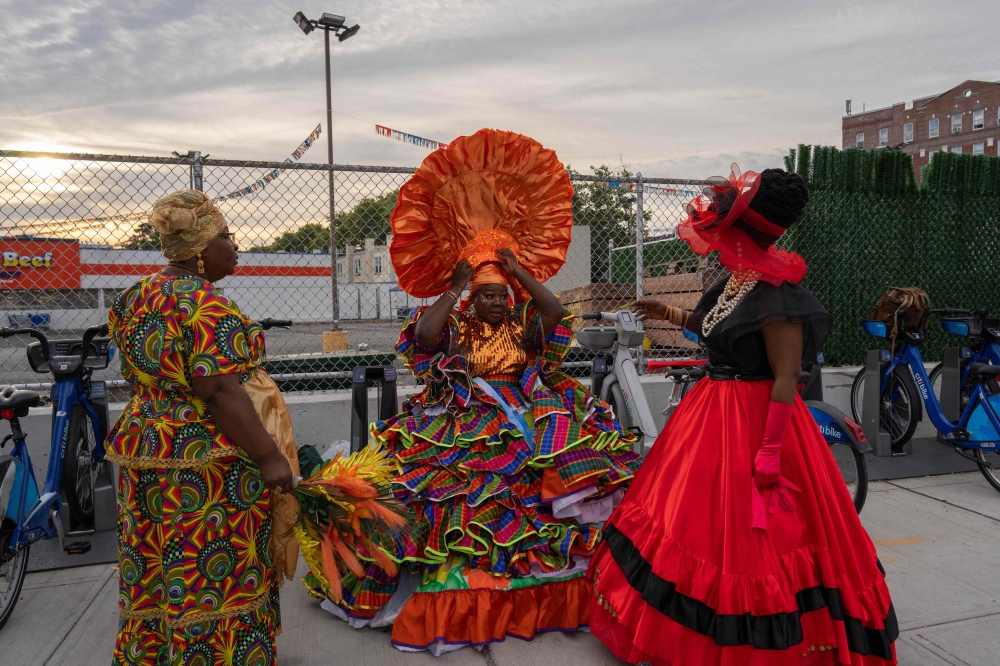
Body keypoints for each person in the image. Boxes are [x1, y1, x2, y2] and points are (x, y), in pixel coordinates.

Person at [308, 129, 642, 655]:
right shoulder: (455, 326)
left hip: (526, 408)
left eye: (500, 296)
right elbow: (421, 338)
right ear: (472, 298)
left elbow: (555, 313)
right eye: (487, 297)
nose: (496, 304)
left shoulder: (522, 325)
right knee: (455, 492)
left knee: (563, 465)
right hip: (463, 413)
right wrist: (459, 284)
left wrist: (517, 273)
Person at [588, 168, 898, 666]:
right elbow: (714, 330)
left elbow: (786, 376)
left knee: (751, 540)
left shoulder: (777, 296)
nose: (716, 243)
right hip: (711, 413)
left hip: (756, 422)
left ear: (743, 233)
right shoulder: (737, 280)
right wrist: (664, 312)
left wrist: (770, 451)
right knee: (691, 523)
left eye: (724, 234)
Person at [106, 190, 294, 666]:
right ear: (199, 251)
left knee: (154, 561)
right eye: (227, 238)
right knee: (212, 568)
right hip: (204, 458)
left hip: (144, 443)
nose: (236, 247)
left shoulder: (135, 295)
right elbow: (219, 392)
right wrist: (270, 457)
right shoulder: (207, 306)